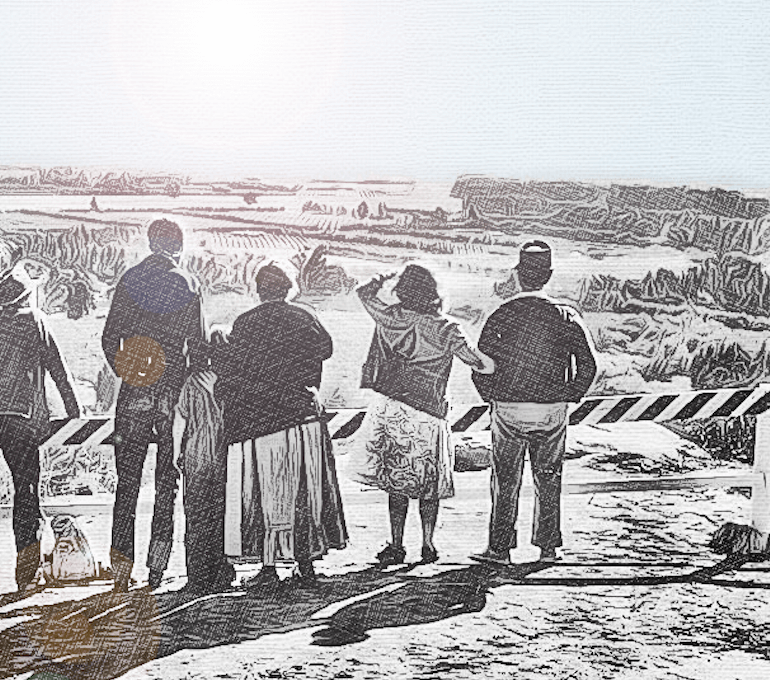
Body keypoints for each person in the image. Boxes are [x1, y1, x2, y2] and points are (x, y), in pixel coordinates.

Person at [351, 264, 496, 565]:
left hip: (394, 409)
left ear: (403, 291)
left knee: (397, 482)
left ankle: (396, 544)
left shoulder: (390, 318)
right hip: (430, 412)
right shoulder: (447, 328)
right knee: (428, 483)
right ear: (433, 292)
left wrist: (383, 277)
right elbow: (479, 364)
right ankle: (428, 544)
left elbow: (363, 295)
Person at [217, 263, 347, 588]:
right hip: (301, 417)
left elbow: (233, 370)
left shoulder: (245, 323)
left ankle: (269, 568)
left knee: (266, 493)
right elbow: (325, 349)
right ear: (287, 288)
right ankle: (306, 564)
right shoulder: (304, 317)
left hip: (260, 421)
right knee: (301, 492)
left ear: (259, 291)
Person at [472, 240, 597, 565]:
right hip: (552, 409)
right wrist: (570, 395)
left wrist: (491, 396)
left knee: (505, 479)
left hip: (509, 408)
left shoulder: (501, 315)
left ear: (517, 273)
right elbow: (589, 365)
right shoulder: (566, 316)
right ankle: (548, 548)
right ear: (549, 275)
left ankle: (499, 550)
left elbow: (479, 363)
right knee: (549, 477)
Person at [101, 218, 203, 591]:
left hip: (133, 394)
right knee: (167, 483)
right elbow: (200, 346)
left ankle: (119, 574)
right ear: (179, 245)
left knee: (125, 484)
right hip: (172, 394)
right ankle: (156, 569)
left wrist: (130, 371)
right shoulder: (190, 283)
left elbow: (109, 337)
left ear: (149, 242)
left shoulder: (129, 280)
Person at [0, 260, 81, 600]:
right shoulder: (35, 322)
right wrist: (74, 412)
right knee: (27, 495)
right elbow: (58, 370)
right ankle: (27, 576)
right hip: (23, 419)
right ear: (27, 297)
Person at [174, 338, 236, 594]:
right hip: (222, 456)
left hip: (196, 455)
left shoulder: (190, 384)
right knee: (220, 514)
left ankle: (197, 576)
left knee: (196, 516)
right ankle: (221, 572)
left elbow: (180, 418)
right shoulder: (224, 384)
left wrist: (176, 452)